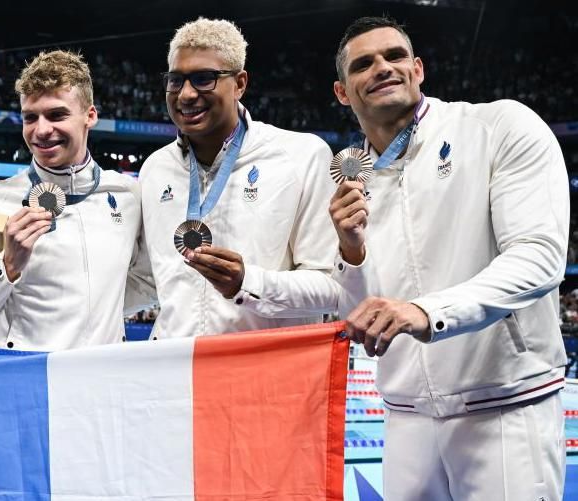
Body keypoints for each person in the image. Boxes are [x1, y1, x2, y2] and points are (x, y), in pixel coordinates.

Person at [329, 16, 568, 500]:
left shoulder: (499, 126)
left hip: (503, 407)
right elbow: (358, 308)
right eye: (363, 64)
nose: (382, 67)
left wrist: (426, 311)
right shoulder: (353, 182)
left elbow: (540, 257)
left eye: (395, 56)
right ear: (342, 92)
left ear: (418, 69)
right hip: (406, 415)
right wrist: (350, 253)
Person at [0, 50, 153, 355]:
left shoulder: (128, 196)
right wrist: (7, 267)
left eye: (57, 114)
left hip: (102, 380)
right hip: (22, 380)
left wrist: (94, 303)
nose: (42, 130)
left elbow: (149, 280)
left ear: (90, 115)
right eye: (30, 117)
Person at [138, 18, 343, 339]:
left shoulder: (301, 156)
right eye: (176, 80)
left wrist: (248, 283)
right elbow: (150, 281)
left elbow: (332, 286)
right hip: (177, 372)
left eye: (204, 79)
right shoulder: (154, 169)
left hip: (263, 373)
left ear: (240, 83)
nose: (186, 94)